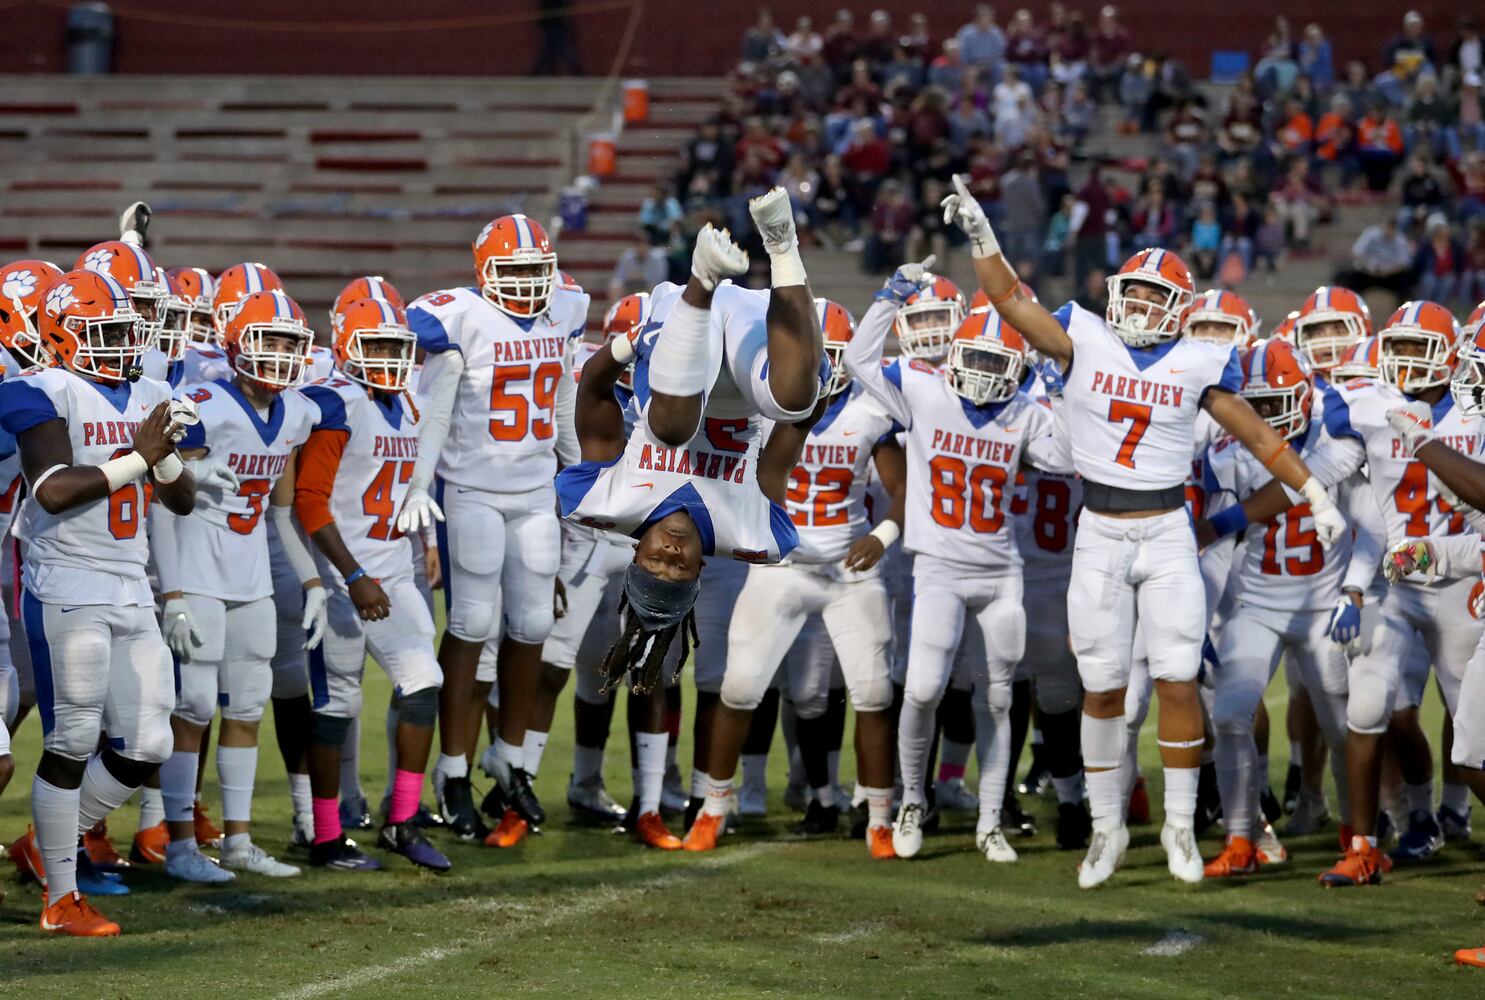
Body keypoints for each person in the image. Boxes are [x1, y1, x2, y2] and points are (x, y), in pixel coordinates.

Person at [939, 174, 1344, 889]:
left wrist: (1311, 489)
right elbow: (1009, 301)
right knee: (1101, 688)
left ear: (1179, 309)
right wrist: (981, 238)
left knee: (1178, 678)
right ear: (1116, 293)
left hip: (1164, 531)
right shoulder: (1083, 336)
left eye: (1159, 297)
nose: (1143, 305)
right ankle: (1105, 832)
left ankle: (1181, 827)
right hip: (1097, 529)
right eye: (1137, 292)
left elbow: (1253, 432)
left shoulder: (1197, 360)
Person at [557, 188, 825, 852]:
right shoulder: (749, 533)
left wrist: (619, 351)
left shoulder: (607, 503)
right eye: (680, 568)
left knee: (671, 430)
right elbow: (791, 441)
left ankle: (702, 276)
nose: (671, 554)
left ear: (637, 552)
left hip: (676, 338)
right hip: (740, 372)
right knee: (795, 398)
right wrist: (806, 395)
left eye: (655, 562)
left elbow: (589, 397)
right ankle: (783, 242)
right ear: (700, 569)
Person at [1205, 300, 1482, 887]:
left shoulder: (1475, 413)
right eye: (1398, 346)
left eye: (1419, 347)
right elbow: (1311, 477)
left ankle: (1446, 812)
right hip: (1396, 578)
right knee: (1366, 707)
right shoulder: (1370, 406)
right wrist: (1230, 522)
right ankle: (1363, 843)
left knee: (1470, 731)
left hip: (1464, 580)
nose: (1407, 360)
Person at [849, 271, 1072, 863]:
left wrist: (1066, 382)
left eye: (1000, 362)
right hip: (939, 570)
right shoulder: (925, 387)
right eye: (975, 356)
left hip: (1001, 574)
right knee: (920, 688)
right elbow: (858, 358)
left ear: (1020, 369)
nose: (985, 372)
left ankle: (990, 820)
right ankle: (913, 799)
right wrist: (890, 296)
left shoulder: (1025, 412)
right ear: (954, 353)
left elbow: (1072, 456)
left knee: (997, 699)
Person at [0, 268, 197, 935]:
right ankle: (61, 897)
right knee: (74, 737)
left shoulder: (152, 391)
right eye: (104, 332)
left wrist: (165, 457)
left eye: (125, 331)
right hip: (64, 581)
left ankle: (45, 841)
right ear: (63, 337)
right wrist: (142, 455)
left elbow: (183, 499)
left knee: (148, 740)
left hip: (127, 580)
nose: (120, 344)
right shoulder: (39, 389)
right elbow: (52, 489)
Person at [400, 214, 587, 842]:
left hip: (535, 488)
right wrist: (419, 483)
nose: (532, 285)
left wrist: (575, 465)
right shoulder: (457, 314)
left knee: (535, 622)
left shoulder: (566, 311)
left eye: (540, 272)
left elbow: (560, 398)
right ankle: (451, 771)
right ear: (484, 273)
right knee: (473, 623)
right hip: (473, 487)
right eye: (516, 272)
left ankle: (506, 757)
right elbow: (431, 393)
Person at [706, 297, 903, 858]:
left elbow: (905, 490)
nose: (818, 368)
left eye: (829, 356)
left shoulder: (870, 412)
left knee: (871, 692)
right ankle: (713, 807)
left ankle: (879, 817)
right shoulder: (760, 407)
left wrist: (882, 536)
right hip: (781, 564)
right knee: (740, 686)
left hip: (847, 567)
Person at [154, 288, 322, 884]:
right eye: (266, 340)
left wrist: (312, 581)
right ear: (234, 344)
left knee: (246, 706)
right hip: (197, 570)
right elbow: (161, 498)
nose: (278, 354)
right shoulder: (205, 405)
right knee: (194, 706)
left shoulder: (297, 412)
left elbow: (281, 511)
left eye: (288, 343)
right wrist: (170, 593)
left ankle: (241, 840)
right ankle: (176, 845)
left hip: (251, 575)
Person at [1200, 338, 1380, 877]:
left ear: (1304, 398)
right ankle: (1242, 837)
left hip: (1325, 600)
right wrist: (1204, 612)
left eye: (1275, 404)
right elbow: (1216, 543)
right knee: (1231, 713)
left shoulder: (1338, 443)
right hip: (1258, 599)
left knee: (1344, 721)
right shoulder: (1227, 455)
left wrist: (1354, 592)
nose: (1265, 420)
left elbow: (1372, 528)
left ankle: (1358, 833)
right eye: (1253, 408)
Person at [289, 297, 450, 871]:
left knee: (424, 682)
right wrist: (352, 575)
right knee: (337, 702)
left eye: (395, 346)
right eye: (374, 344)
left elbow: (410, 485)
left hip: (394, 565)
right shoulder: (336, 402)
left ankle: (402, 821)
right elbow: (309, 500)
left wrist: (423, 545)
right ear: (346, 345)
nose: (386, 357)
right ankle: (325, 836)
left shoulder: (412, 403)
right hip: (340, 573)